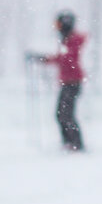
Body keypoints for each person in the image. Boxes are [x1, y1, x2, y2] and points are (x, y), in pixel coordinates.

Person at [29, 10, 86, 150]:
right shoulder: (67, 40)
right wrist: (43, 59)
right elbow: (63, 58)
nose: (57, 28)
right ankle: (69, 143)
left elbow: (65, 59)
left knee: (65, 115)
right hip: (68, 82)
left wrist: (44, 59)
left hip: (73, 82)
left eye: (59, 25)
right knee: (61, 114)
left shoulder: (73, 40)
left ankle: (75, 144)